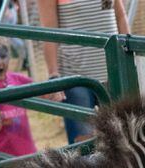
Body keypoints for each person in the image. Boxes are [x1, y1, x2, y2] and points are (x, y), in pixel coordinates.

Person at [37, 0, 129, 143]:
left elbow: (121, 17)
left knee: (123, 139)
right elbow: (49, 31)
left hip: (113, 72)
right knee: (84, 146)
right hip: (76, 78)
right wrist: (53, 75)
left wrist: (127, 59)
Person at [0, 35, 61, 156]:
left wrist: (54, 92)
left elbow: (42, 94)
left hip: (28, 154)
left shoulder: (17, 80)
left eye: (3, 56)